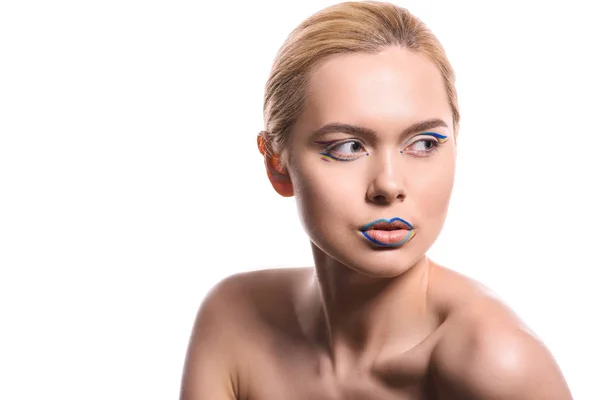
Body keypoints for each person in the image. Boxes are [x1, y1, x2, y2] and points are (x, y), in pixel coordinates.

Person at [180, 1, 573, 399]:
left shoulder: (496, 361)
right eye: (348, 146)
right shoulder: (233, 321)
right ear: (277, 163)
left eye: (423, 143)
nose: (389, 184)